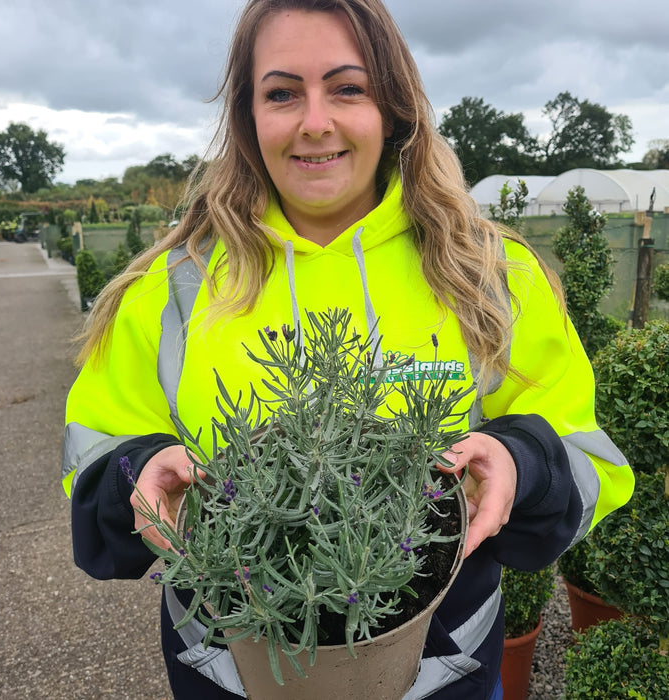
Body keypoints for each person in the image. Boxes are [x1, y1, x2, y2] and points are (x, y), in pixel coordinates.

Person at [62, 1, 634, 698]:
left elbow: (589, 459)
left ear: (394, 107)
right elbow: (95, 459)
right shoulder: (173, 288)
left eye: (347, 87)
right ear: (247, 118)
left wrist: (521, 465)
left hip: (442, 675)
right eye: (281, 93)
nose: (314, 122)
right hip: (230, 677)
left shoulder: (488, 276)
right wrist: (136, 473)